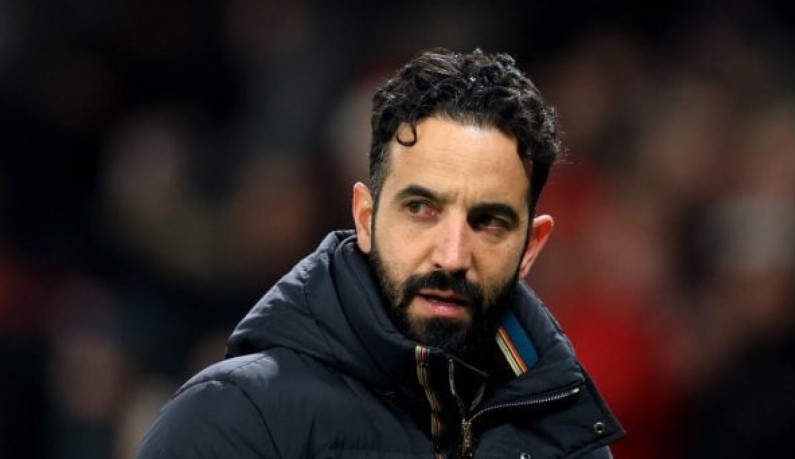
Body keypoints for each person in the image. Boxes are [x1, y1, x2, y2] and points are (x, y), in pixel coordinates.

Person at [137, 48, 624, 459]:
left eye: (489, 222)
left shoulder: (569, 440)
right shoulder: (235, 421)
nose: (452, 256)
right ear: (365, 218)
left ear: (530, 248)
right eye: (421, 209)